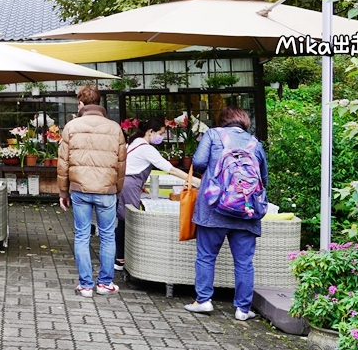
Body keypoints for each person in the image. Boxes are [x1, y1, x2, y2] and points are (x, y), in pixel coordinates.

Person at [183, 106, 268, 321]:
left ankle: (203, 301)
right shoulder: (254, 143)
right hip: (246, 211)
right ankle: (242, 309)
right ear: (244, 122)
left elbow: (199, 162)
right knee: (244, 262)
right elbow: (263, 178)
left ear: (223, 120)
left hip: (214, 208)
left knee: (206, 256)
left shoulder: (213, 134)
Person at [58, 85, 126, 298]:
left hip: (79, 189)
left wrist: (63, 192)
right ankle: (105, 284)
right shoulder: (114, 128)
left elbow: (63, 162)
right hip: (107, 189)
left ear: (81, 103)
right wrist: (118, 190)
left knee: (82, 236)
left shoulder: (71, 126)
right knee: (107, 236)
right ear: (100, 103)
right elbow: (122, 163)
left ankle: (86, 286)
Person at [115, 118, 189, 271]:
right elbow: (171, 169)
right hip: (130, 185)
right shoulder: (146, 148)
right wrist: (195, 181)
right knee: (127, 221)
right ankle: (120, 258)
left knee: (123, 220)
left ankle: (119, 257)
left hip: (125, 183)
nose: (161, 136)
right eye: (161, 133)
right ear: (150, 132)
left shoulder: (134, 143)